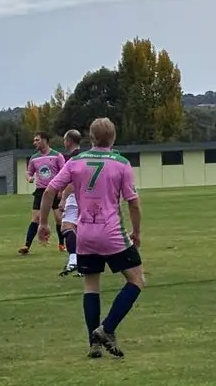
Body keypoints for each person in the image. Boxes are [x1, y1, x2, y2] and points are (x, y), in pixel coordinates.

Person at [39, 118, 143, 358]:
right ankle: (107, 328)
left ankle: (93, 344)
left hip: (85, 233)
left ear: (91, 138)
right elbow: (134, 204)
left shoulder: (75, 162)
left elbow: (49, 191)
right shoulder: (122, 164)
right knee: (136, 280)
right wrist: (136, 232)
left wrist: (44, 223)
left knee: (91, 286)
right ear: (114, 138)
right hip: (112, 232)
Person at [20, 133, 65, 255]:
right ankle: (26, 246)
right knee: (35, 218)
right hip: (40, 191)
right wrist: (29, 178)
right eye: (34, 140)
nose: (34, 142)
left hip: (55, 190)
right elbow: (28, 172)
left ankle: (62, 244)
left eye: (37, 140)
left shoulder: (57, 156)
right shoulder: (34, 158)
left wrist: (62, 191)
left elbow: (65, 173)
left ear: (45, 140)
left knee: (59, 218)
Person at [57, 129, 84, 275]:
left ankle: (74, 261)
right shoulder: (87, 156)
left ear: (68, 141)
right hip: (88, 197)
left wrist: (63, 199)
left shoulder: (72, 159)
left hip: (74, 196)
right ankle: (85, 265)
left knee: (67, 227)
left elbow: (72, 182)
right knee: (81, 230)